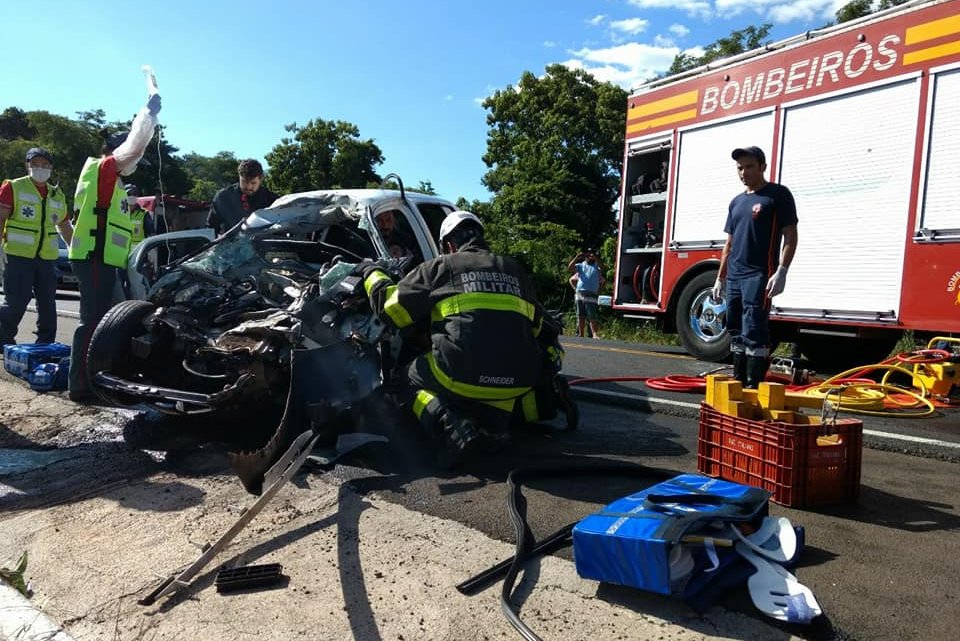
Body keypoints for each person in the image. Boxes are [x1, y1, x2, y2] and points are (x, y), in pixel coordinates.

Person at [360, 211, 574, 466]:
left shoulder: (441, 267)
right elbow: (540, 328)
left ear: (448, 245)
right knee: (495, 400)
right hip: (519, 379)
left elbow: (390, 310)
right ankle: (517, 416)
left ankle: (450, 425)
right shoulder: (515, 270)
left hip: (460, 373)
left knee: (403, 380)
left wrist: (371, 271)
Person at [68, 94, 162, 402]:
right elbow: (134, 146)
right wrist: (148, 114)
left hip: (106, 261)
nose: (136, 163)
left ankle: (100, 377)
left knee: (110, 320)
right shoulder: (102, 170)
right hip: (94, 259)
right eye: (133, 159)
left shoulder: (115, 183)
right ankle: (81, 385)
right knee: (92, 321)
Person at [712, 146, 798, 388]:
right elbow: (729, 243)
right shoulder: (736, 202)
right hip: (735, 276)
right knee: (735, 328)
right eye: (739, 168)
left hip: (758, 274)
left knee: (754, 328)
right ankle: (738, 380)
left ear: (763, 166)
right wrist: (720, 278)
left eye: (749, 166)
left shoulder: (777, 195)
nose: (743, 172)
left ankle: (753, 385)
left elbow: (790, 235)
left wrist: (782, 271)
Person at [0, 147, 74, 347]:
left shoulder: (56, 194)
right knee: (16, 302)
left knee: (48, 304)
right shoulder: (14, 187)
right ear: (27, 166)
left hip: (46, 259)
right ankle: (2, 339)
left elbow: (64, 226)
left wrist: (74, 250)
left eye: (44, 164)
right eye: (34, 164)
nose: (39, 168)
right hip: (17, 256)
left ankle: (45, 343)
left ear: (51, 167)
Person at [206, 159, 278, 235]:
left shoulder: (271, 199)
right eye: (244, 181)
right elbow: (211, 227)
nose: (248, 187)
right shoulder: (223, 197)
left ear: (261, 180)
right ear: (239, 177)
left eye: (253, 183)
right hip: (231, 244)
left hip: (263, 243)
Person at [567, 249, 605, 339]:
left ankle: (595, 334)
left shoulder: (596, 266)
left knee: (592, 314)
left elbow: (603, 269)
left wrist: (596, 259)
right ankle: (581, 334)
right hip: (580, 293)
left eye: (591, 254)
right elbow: (569, 268)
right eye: (587, 255)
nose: (589, 256)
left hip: (592, 293)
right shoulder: (581, 265)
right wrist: (577, 257)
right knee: (581, 315)